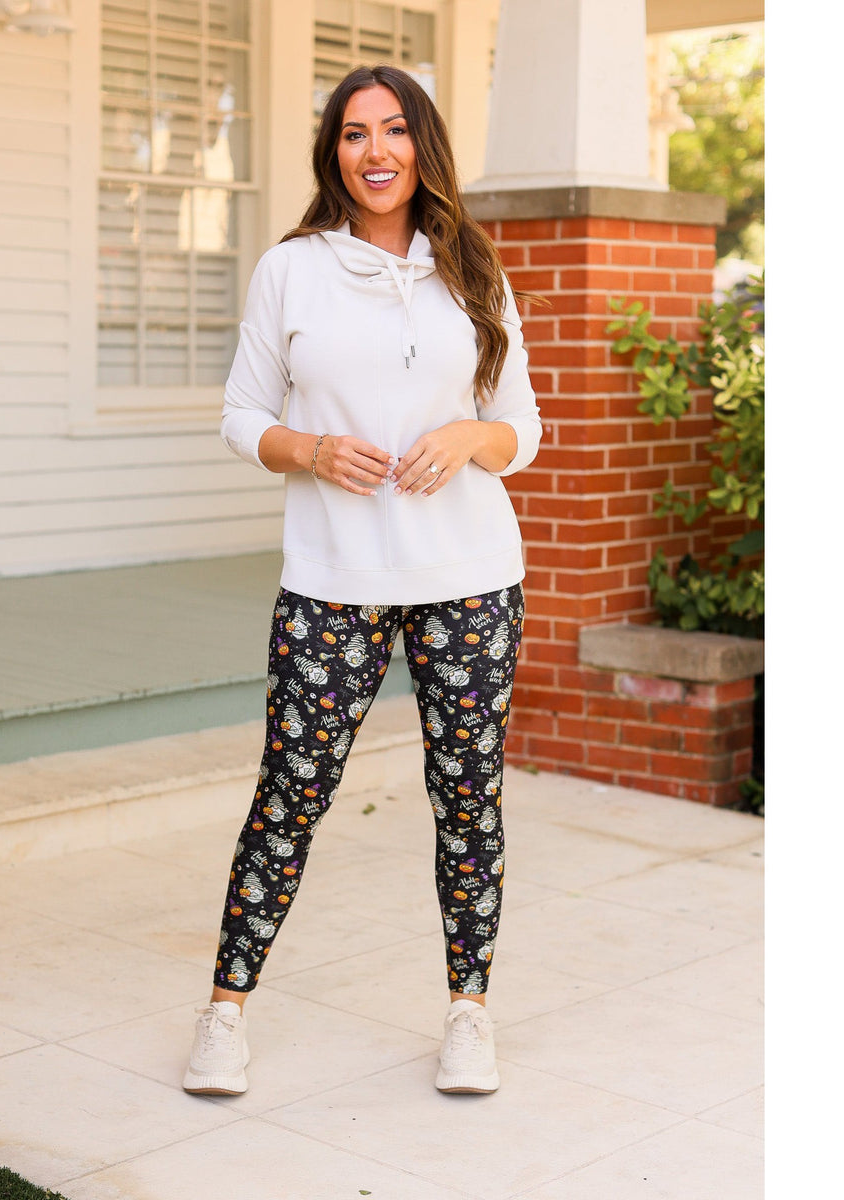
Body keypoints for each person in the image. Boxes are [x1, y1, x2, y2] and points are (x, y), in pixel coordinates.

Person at [183, 63, 541, 1097]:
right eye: (353, 133)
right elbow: (242, 414)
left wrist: (471, 434)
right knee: (291, 792)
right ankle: (224, 1014)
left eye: (393, 130)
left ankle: (469, 1013)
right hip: (333, 577)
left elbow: (522, 427)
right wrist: (309, 450)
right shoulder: (291, 270)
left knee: (468, 795)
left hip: (470, 575)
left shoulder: (475, 268)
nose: (375, 151)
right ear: (333, 152)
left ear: (423, 145)